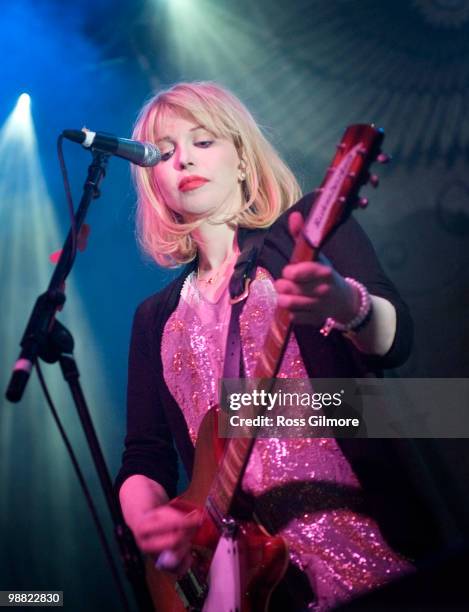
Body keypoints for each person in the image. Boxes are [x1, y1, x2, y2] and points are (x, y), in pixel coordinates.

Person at [115, 81, 419, 611]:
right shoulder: (153, 318)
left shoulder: (299, 237)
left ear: (241, 160)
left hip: (359, 537)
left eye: (203, 141)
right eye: (164, 153)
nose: (183, 157)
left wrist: (347, 303)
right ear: (154, 183)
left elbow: (395, 342)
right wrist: (151, 522)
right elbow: (144, 455)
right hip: (237, 575)